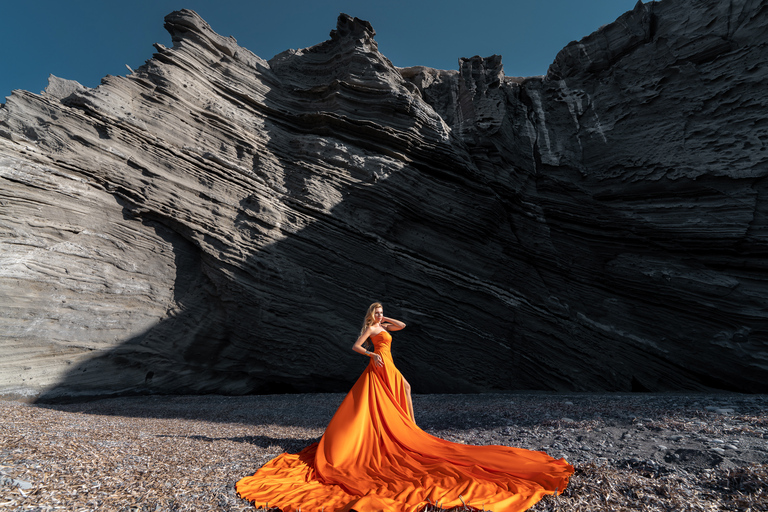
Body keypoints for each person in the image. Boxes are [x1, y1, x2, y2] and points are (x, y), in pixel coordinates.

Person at [236, 303, 574, 512]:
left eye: (381, 313)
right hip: (378, 364)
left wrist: (386, 316)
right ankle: (405, 427)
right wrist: (371, 354)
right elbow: (354, 345)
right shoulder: (371, 328)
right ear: (371, 315)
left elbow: (403, 327)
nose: (381, 317)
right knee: (385, 397)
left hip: (390, 364)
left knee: (406, 387)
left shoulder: (383, 324)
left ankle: (407, 424)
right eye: (378, 312)